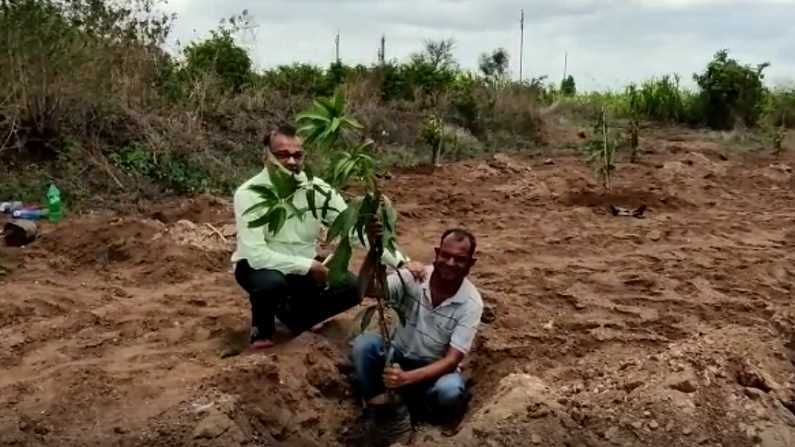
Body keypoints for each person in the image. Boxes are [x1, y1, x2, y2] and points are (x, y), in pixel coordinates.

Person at [232, 125, 419, 351]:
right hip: (259, 267)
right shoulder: (249, 193)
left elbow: (353, 230)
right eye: (282, 155)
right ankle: (261, 327)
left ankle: (297, 319)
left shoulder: (317, 189)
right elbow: (255, 254)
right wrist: (308, 265)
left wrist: (401, 263)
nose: (291, 161)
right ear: (266, 156)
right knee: (271, 284)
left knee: (351, 288)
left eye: (297, 155)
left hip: (306, 271)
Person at [351, 228, 483, 426]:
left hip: (434, 370)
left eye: (459, 259)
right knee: (365, 345)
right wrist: (374, 253)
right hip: (397, 359)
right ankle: (377, 404)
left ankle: (427, 422)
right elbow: (369, 291)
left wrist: (407, 378)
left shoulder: (471, 303)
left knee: (450, 391)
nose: (450, 263)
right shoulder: (413, 277)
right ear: (437, 253)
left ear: (470, 263)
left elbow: (452, 359)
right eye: (445, 255)